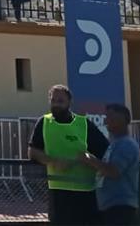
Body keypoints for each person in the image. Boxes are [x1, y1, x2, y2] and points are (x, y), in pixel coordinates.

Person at [28, 84, 109, 225]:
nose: (56, 104)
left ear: (69, 103)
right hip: (58, 192)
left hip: (85, 192)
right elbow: (33, 152)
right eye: (53, 101)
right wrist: (53, 161)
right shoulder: (44, 122)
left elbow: (105, 152)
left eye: (60, 101)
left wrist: (89, 160)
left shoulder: (84, 124)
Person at [82, 104, 140, 226]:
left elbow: (114, 171)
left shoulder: (126, 144)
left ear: (123, 119)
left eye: (111, 117)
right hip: (109, 207)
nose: (106, 121)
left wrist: (90, 160)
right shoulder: (114, 144)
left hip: (121, 207)